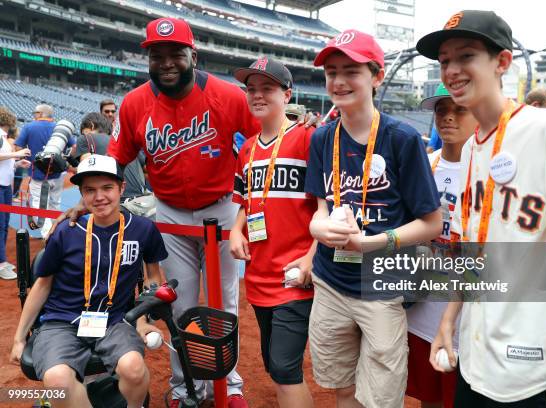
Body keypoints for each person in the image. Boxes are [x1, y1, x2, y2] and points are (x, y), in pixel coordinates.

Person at [417, 10, 546, 407]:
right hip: (477, 357)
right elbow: (473, 249)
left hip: (536, 362)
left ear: (502, 62)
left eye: (465, 56)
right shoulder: (469, 148)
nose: (452, 69)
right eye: (445, 60)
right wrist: (448, 322)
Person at [104, 17, 261, 407]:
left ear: (193, 54)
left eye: (176, 53)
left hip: (223, 209)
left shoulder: (228, 96)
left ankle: (231, 386)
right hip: (170, 215)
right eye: (158, 55)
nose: (167, 62)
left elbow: (261, 144)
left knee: (223, 302)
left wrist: (249, 205)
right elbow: (114, 159)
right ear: (149, 59)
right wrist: (87, 199)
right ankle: (184, 388)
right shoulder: (135, 102)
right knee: (181, 306)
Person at [305, 30, 442, 407]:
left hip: (382, 288)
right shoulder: (322, 138)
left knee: (379, 398)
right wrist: (321, 228)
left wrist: (372, 243)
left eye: (351, 70)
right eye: (331, 71)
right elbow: (319, 212)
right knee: (342, 387)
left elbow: (431, 223)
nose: (339, 80)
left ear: (376, 76)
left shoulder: (402, 139)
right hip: (330, 283)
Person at [10, 154, 167, 408]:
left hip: (115, 320)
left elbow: (153, 279)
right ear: (82, 193)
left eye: (107, 188)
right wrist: (19, 338)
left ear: (121, 188)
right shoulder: (66, 230)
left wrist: (142, 320)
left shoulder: (143, 230)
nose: (99, 197)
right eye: (90, 190)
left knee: (134, 369)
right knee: (58, 381)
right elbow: (42, 285)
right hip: (61, 322)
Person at [230, 57, 316, 408]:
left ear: (287, 94)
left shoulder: (309, 138)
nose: (258, 95)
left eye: (268, 88)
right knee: (274, 364)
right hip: (259, 275)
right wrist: (236, 231)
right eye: (252, 89)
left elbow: (328, 205)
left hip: (296, 278)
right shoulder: (247, 149)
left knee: (284, 367)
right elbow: (243, 201)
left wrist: (312, 258)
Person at [406, 83, 477, 408]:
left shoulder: (492, 169)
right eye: (440, 110)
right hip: (422, 309)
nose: (448, 117)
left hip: (470, 314)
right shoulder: (425, 164)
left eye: (458, 109)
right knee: (429, 398)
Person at [15, 104, 74, 238]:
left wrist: (28, 157)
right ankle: (56, 231)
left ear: (40, 113)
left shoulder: (29, 127)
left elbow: (18, 147)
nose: (33, 115)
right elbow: (74, 146)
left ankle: (48, 235)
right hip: (58, 174)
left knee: (38, 204)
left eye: (35, 112)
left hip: (38, 174)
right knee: (54, 203)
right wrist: (64, 161)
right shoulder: (59, 128)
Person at [75, 112, 147, 202]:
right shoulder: (125, 142)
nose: (83, 135)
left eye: (83, 132)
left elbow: (87, 174)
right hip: (141, 202)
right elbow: (147, 170)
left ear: (91, 126)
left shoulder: (85, 139)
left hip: (113, 203)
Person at [0, 106, 31, 279]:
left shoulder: (3, 138)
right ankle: (1, 263)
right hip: (0, 186)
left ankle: (1, 261)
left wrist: (18, 163)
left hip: (5, 186)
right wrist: (16, 154)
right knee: (0, 225)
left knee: (4, 225)